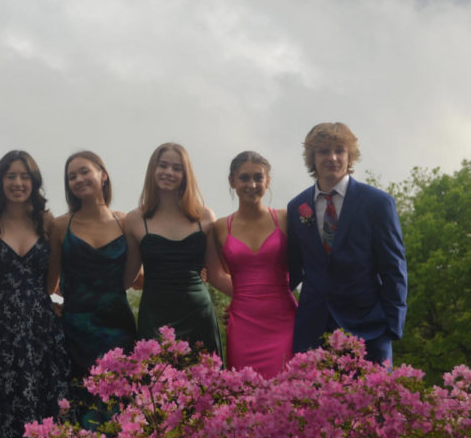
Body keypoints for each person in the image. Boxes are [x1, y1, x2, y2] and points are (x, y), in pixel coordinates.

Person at [0, 151, 69, 438]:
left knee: (42, 401)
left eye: (24, 176)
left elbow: (52, 278)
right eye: (11, 176)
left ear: (34, 182)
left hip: (40, 327)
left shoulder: (47, 221)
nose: (17, 182)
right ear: (0, 181)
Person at [287, 122, 408, 365]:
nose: (332, 157)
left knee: (375, 404)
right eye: (323, 151)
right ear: (312, 157)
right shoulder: (296, 207)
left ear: (350, 155)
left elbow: (394, 268)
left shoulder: (377, 203)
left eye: (339, 150)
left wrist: (391, 327)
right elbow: (293, 271)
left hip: (370, 331)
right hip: (313, 333)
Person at [51, 151, 136, 427]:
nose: (78, 179)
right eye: (71, 177)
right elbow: (47, 281)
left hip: (119, 332)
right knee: (79, 416)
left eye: (84, 171)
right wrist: (50, 305)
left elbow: (136, 276)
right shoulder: (61, 225)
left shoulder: (125, 221)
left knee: (120, 417)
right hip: (75, 335)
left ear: (103, 174)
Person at [124, 143, 231, 358]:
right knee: (155, 387)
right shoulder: (135, 220)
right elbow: (126, 278)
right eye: (163, 166)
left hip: (198, 315)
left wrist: (256, 300)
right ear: (153, 169)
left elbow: (217, 274)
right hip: (154, 316)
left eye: (177, 168)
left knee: (205, 388)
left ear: (185, 174)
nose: (169, 173)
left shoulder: (205, 217)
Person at [212, 151, 297, 378]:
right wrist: (244, 295)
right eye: (244, 178)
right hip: (243, 325)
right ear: (232, 181)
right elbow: (215, 273)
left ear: (268, 181)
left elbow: (306, 262)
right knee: (244, 397)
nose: (252, 184)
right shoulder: (220, 228)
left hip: (284, 321)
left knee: (288, 394)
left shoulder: (286, 218)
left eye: (258, 177)